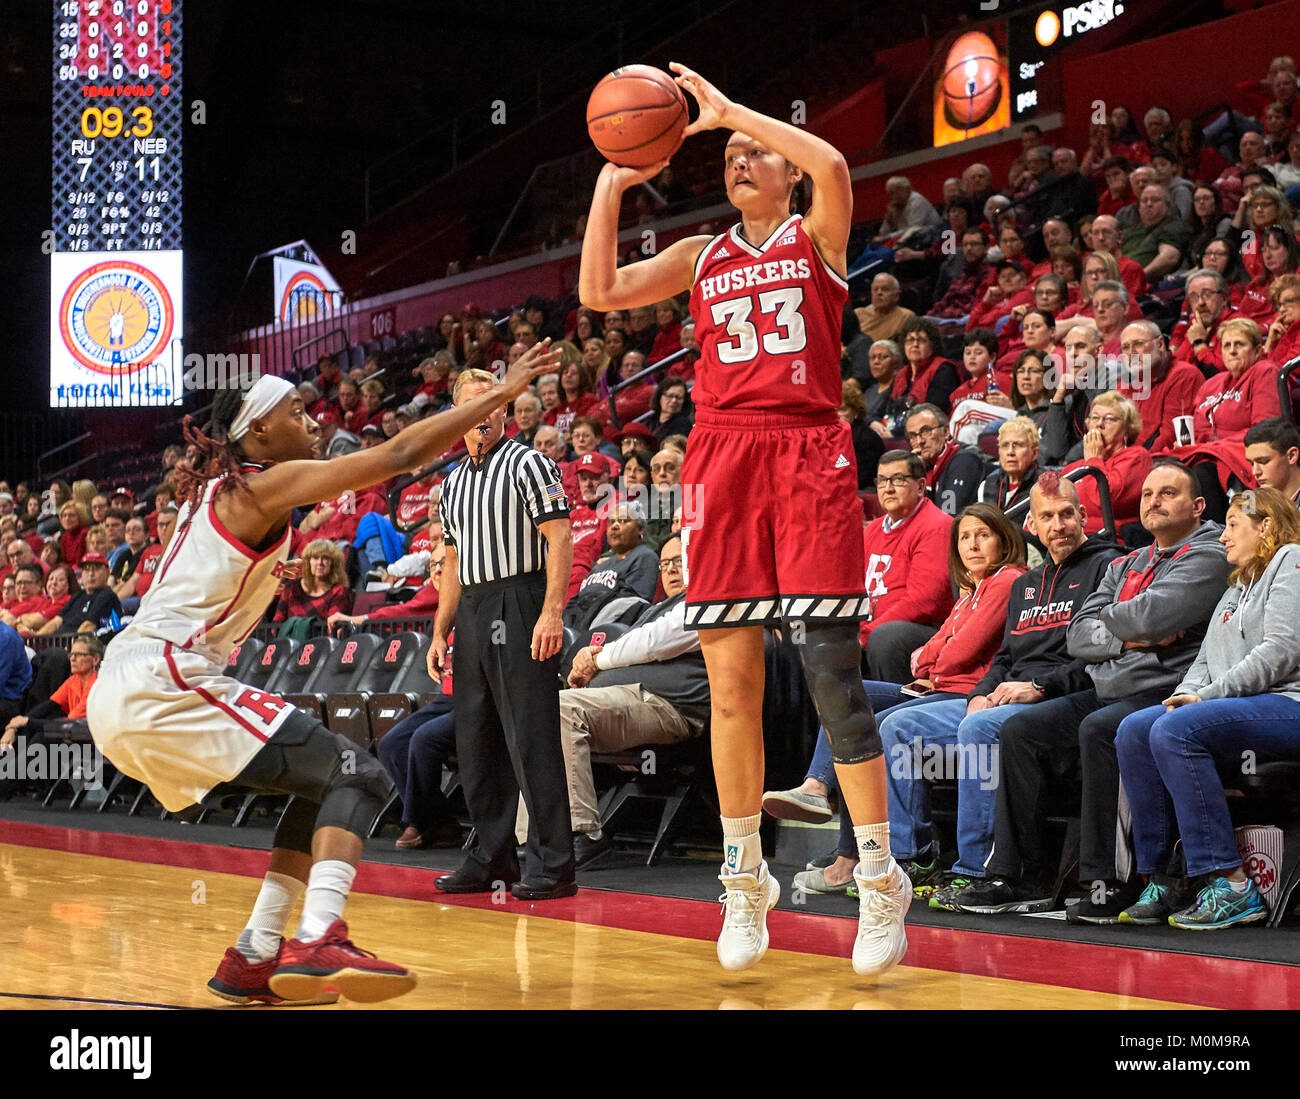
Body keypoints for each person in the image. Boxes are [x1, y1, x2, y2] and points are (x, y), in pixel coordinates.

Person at [86, 343, 560, 1006]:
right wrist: (497, 394)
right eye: (295, 412)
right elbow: (397, 457)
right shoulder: (259, 483)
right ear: (256, 433)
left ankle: (255, 952)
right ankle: (319, 936)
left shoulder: (224, 495)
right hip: (163, 677)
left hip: (133, 686)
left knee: (318, 787)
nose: (310, 420)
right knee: (361, 773)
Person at [579, 61, 910, 976]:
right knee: (732, 683)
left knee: (833, 675)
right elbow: (600, 291)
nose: (736, 156)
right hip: (721, 456)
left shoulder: (818, 235)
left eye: (754, 151)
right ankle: (742, 875)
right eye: (726, 151)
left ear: (787, 172)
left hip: (807, 453)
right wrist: (613, 180)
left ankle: (880, 877)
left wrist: (733, 107)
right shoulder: (701, 256)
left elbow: (839, 165)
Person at [969, 462, 1231, 923]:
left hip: (1164, 690)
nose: (1153, 501)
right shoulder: (1127, 562)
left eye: (1168, 493)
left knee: (1101, 729)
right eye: (1147, 493)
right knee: (1021, 731)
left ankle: (1109, 881)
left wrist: (1119, 627)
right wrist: (1130, 636)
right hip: (1108, 687)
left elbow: (1153, 616)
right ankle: (1022, 876)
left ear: (1198, 506)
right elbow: (1078, 635)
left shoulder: (1208, 554)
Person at [881, 475, 1122, 912]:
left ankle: (978, 868)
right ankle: (909, 859)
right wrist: (980, 692)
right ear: (1032, 523)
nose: (1059, 524)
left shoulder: (1107, 567)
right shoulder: (1026, 584)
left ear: (1084, 516)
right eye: (1047, 516)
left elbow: (1102, 654)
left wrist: (1039, 687)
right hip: (1005, 695)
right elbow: (1005, 657)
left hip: (1061, 696)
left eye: (1067, 514)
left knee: (978, 727)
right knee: (900, 725)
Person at [1115, 487, 1300, 929]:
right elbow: (1202, 664)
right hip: (1244, 703)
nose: (1222, 537)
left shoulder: (1290, 560)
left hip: (1289, 702)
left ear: (1266, 525)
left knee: (1177, 731)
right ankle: (1162, 877)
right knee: (1136, 729)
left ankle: (1231, 883)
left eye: (1233, 525)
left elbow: (1281, 651)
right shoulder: (1238, 582)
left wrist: (1205, 699)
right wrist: (1180, 698)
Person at [430, 365, 576, 905]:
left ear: (505, 412)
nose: (483, 414)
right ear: (458, 416)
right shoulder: (450, 483)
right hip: (470, 605)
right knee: (477, 741)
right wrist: (440, 631)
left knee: (531, 736)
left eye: (492, 404)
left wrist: (551, 610)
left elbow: (559, 538)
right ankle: (492, 856)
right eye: (472, 404)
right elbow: (450, 559)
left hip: (521, 598)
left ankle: (555, 863)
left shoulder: (529, 463)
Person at [560, 535, 708, 868]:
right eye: (664, 564)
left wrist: (595, 661)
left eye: (679, 561)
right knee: (539, 711)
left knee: (561, 710)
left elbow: (655, 643)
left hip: (670, 707)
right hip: (624, 699)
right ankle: (537, 836)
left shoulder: (703, 603)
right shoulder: (654, 608)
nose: (670, 570)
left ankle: (583, 837)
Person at [860, 450, 955, 683]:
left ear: (921, 486)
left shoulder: (936, 526)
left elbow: (924, 602)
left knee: (887, 637)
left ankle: (893, 711)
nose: (888, 488)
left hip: (924, 630)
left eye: (898, 480)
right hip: (871, 627)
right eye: (882, 481)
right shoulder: (872, 529)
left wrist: (865, 633)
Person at [1063, 390, 1153, 536]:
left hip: (1105, 543)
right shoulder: (1075, 467)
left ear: (1127, 429)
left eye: (1109, 419)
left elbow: (1103, 500)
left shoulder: (1136, 457)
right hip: (1064, 537)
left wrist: (1093, 460)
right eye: (1095, 418)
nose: (1099, 424)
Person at [1116, 321, 1204, 454]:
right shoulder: (1127, 382)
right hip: (1127, 457)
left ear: (1160, 344)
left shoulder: (1184, 375)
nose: (1131, 353)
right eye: (1126, 347)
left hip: (1156, 462)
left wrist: (1131, 462)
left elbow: (1170, 435)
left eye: (1138, 344)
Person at [903, 403, 986, 517]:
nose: (919, 441)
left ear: (946, 431)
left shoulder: (964, 461)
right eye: (912, 436)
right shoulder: (926, 468)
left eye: (926, 431)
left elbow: (948, 515)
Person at [270, 540, 352, 624]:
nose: (320, 563)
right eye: (315, 558)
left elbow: (333, 627)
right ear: (308, 562)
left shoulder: (339, 591)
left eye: (325, 558)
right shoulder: (292, 587)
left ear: (334, 564)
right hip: (287, 637)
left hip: (321, 637)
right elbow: (277, 623)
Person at [978, 416, 1040, 513]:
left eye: (1018, 445)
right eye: (1005, 445)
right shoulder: (987, 485)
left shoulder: (1044, 486)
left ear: (1035, 452)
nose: (1010, 452)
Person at [838, 380, 885, 488]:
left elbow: (861, 478)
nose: (837, 415)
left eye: (842, 409)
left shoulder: (868, 439)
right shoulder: (828, 437)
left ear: (856, 412)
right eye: (834, 410)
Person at [1244, 417, 1300, 506]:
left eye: (1263, 461)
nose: (1255, 472)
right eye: (1251, 463)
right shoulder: (1251, 503)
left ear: (1292, 456)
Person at [855, 273, 914, 344]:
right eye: (875, 289)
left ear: (896, 296)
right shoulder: (858, 313)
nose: (879, 293)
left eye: (885, 289)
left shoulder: (906, 316)